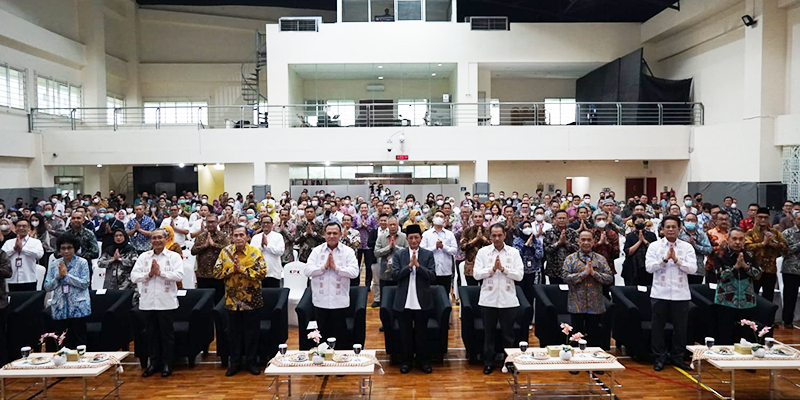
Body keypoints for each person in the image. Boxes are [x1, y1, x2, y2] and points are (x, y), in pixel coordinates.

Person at [131, 229, 185, 378]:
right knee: (151, 335)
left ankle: (167, 364)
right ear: (150, 241)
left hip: (166, 302)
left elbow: (179, 275)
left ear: (165, 239)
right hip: (147, 303)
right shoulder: (144, 256)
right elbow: (134, 277)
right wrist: (149, 274)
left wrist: (160, 273)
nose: (157, 240)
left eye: (160, 237)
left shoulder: (173, 256)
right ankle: (154, 363)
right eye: (154, 238)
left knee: (167, 336)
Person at [645, 215, 697, 371]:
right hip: (659, 294)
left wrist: (677, 260)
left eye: (674, 226)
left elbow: (693, 269)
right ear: (662, 229)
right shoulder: (654, 246)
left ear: (679, 228)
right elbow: (649, 268)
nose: (670, 229)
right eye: (667, 227)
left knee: (680, 329)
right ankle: (659, 357)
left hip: (681, 295)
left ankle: (678, 358)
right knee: (658, 328)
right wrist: (665, 260)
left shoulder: (687, 247)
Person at [214, 226, 267, 376]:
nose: (238, 238)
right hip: (232, 300)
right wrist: (232, 270)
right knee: (233, 334)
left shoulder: (255, 253)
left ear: (247, 237)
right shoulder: (225, 253)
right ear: (232, 237)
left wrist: (242, 269)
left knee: (252, 334)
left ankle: (252, 363)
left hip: (251, 300)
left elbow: (262, 273)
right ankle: (234, 364)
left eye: (241, 235)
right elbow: (216, 273)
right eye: (235, 235)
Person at [473, 224, 523, 375]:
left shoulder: (513, 253)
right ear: (490, 236)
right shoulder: (483, 252)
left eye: (499, 235)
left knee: (508, 335)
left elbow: (519, 276)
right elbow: (476, 274)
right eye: (493, 235)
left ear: (504, 235)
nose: (496, 238)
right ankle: (488, 363)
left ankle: (508, 363)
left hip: (508, 300)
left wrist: (503, 270)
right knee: (489, 334)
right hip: (488, 300)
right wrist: (492, 270)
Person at [303, 223, 360, 343]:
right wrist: (323, 267)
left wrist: (337, 268)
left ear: (340, 235)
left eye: (335, 233)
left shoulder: (348, 252)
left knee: (340, 338)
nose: (332, 236)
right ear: (324, 235)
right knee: (322, 337)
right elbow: (307, 271)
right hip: (320, 302)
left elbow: (355, 272)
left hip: (340, 302)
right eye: (329, 233)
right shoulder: (317, 251)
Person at [391, 224, 436, 374]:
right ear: (407, 239)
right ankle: (406, 361)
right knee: (405, 334)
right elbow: (395, 276)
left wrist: (419, 266)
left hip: (422, 299)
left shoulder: (428, 254)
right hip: (404, 300)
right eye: (411, 238)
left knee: (422, 333)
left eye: (416, 237)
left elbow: (432, 276)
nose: (414, 240)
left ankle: (423, 361)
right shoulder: (399, 255)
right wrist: (409, 266)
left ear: (421, 239)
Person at [563, 230, 614, 348]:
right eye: (583, 240)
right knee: (576, 338)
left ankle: (594, 364)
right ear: (578, 241)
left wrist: (593, 273)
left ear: (593, 241)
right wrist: (584, 274)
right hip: (576, 305)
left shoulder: (600, 259)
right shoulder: (571, 259)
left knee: (594, 338)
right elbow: (565, 277)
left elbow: (609, 278)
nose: (586, 242)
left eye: (589, 240)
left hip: (595, 305)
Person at [712, 228, 762, 344]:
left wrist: (745, 266)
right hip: (725, 301)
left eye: (741, 239)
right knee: (725, 335)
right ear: (728, 239)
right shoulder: (720, 254)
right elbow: (720, 277)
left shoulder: (749, 254)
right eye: (734, 239)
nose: (738, 242)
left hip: (747, 301)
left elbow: (758, 275)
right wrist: (735, 267)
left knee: (745, 336)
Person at [43, 233, 91, 350]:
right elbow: (47, 286)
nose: (66, 251)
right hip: (60, 307)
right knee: (62, 341)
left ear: (75, 248)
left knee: (79, 340)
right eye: (63, 248)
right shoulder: (55, 264)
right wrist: (58, 277)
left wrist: (66, 276)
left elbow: (85, 283)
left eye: (69, 248)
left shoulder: (82, 262)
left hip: (78, 307)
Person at [745, 207, 787, 302]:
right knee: (753, 296)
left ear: (769, 218)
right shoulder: (750, 233)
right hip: (754, 269)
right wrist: (763, 244)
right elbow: (747, 247)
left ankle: (767, 317)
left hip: (770, 269)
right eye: (760, 217)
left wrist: (772, 243)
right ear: (756, 218)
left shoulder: (775, 232)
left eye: (765, 217)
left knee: (768, 296)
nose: (763, 219)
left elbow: (784, 246)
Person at [191, 213, 230, 305]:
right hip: (202, 274)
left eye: (213, 222)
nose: (210, 224)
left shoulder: (223, 236)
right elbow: (193, 251)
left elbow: (228, 251)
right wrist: (205, 246)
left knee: (218, 302)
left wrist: (213, 245)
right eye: (208, 222)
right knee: (204, 303)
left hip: (218, 275)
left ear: (217, 222)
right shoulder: (201, 236)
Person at [98, 228, 139, 304]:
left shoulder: (130, 249)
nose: (118, 238)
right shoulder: (109, 250)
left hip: (126, 283)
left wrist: (120, 259)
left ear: (125, 237)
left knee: (125, 304)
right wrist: (112, 260)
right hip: (110, 283)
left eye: (120, 235)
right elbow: (100, 263)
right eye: (116, 236)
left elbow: (135, 262)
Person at [421, 211, 458, 294]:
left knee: (444, 295)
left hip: (445, 271)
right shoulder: (426, 234)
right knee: (430, 295)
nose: (439, 217)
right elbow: (422, 251)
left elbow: (454, 250)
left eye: (441, 216)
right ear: (433, 219)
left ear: (444, 220)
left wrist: (443, 247)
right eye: (437, 215)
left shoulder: (450, 234)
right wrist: (435, 247)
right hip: (430, 270)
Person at [2, 219, 43, 291]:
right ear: (15, 228)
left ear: (29, 228)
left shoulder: (35, 242)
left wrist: (23, 249)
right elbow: (2, 256)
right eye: (19, 226)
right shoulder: (8, 242)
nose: (21, 228)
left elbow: (39, 255)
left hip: (29, 278)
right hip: (12, 279)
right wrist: (14, 249)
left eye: (24, 226)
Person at [543, 210, 579, 285]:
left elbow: (577, 249)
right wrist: (558, 243)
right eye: (559, 218)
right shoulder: (549, 233)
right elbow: (547, 249)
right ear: (555, 219)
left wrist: (566, 243)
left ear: (567, 219)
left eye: (563, 218)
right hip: (553, 270)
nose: (561, 220)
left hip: (570, 270)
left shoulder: (573, 233)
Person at [513, 220, 544, 307]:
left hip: (534, 272)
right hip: (521, 272)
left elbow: (540, 255)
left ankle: (531, 317)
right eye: (525, 227)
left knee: (531, 295)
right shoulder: (517, 241)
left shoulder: (536, 241)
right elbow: (516, 255)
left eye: (529, 227)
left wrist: (532, 248)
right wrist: (525, 246)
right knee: (520, 295)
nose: (527, 229)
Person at [621, 214, 657, 286]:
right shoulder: (630, 236)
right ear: (634, 223)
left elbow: (655, 250)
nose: (640, 223)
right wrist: (639, 241)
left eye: (642, 221)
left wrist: (644, 241)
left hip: (647, 266)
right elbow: (628, 252)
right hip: (632, 267)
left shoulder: (651, 235)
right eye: (638, 221)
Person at [250, 215, 285, 288]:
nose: (266, 224)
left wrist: (267, 245)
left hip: (273, 272)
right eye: (264, 223)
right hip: (259, 272)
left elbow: (280, 251)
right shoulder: (256, 237)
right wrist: (261, 246)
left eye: (268, 222)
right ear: (261, 224)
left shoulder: (278, 236)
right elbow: (252, 254)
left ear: (272, 224)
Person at [678, 213, 712, 285]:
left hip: (697, 270)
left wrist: (695, 245)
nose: (690, 222)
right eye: (688, 220)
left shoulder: (701, 234)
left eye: (692, 220)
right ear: (684, 221)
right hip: (681, 269)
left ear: (696, 222)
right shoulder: (679, 234)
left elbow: (709, 250)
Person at [460, 210, 491, 286]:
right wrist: (476, 239)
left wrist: (483, 238)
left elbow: (493, 245)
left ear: (483, 219)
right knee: (472, 290)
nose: (478, 219)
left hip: (486, 265)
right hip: (470, 266)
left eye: (480, 216)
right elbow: (463, 246)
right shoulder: (467, 231)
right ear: (472, 219)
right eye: (475, 217)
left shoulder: (488, 231)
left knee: (485, 290)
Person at [781, 211, 800, 329]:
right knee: (790, 297)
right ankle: (787, 321)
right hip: (790, 269)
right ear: (794, 220)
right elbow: (784, 251)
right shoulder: (787, 233)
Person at [354, 202, 377, 289]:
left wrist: (366, 226)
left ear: (368, 209)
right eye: (362, 208)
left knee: (368, 266)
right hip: (358, 245)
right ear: (359, 209)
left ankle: (367, 285)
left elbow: (374, 229)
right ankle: (357, 284)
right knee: (357, 265)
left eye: (365, 208)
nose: (363, 209)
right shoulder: (355, 218)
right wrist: (359, 226)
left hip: (368, 245)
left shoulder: (372, 218)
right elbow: (352, 228)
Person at [369, 214, 390, 307]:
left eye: (385, 220)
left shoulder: (392, 232)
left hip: (389, 258)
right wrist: (379, 244)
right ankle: (377, 299)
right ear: (378, 221)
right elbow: (369, 243)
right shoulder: (374, 232)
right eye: (381, 220)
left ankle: (387, 298)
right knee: (376, 280)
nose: (383, 222)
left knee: (388, 279)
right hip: (376, 258)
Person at [0, 248, 9, 365]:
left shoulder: (1, 253)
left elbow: (8, 271)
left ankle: (2, 364)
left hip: (0, 301)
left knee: (1, 335)